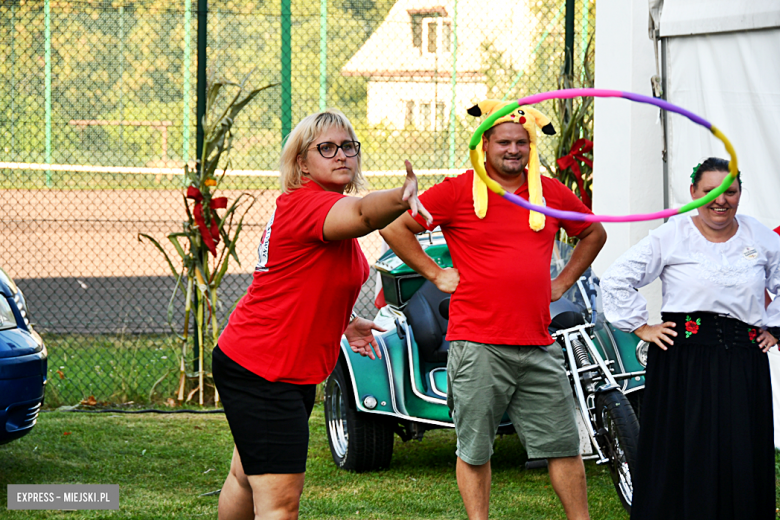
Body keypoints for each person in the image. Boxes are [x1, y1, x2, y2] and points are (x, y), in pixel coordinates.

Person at [380, 100, 606, 520]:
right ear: (484, 146)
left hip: (538, 342)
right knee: (475, 447)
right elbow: (396, 226)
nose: (514, 149)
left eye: (522, 142)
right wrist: (435, 273)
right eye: (504, 141)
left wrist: (563, 282)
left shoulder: (550, 192)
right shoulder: (457, 190)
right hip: (477, 343)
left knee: (562, 445)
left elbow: (593, 232)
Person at [212, 108, 432, 520]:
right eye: (326, 148)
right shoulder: (308, 206)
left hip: (272, 364)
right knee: (280, 504)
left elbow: (301, 279)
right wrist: (400, 197)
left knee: (247, 475)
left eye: (348, 146)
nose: (341, 155)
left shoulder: (323, 210)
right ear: (302, 162)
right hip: (264, 368)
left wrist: (346, 324)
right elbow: (367, 214)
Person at [600, 157, 779, 520]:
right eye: (709, 191)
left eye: (730, 191)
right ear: (693, 193)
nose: (720, 200)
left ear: (740, 194)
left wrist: (774, 327)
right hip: (683, 358)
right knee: (685, 447)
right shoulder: (672, 234)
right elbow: (617, 278)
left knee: (738, 448)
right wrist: (641, 327)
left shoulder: (757, 235)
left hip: (743, 358)